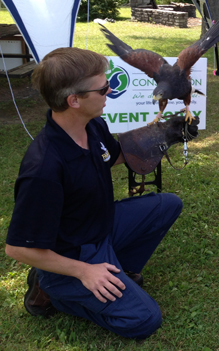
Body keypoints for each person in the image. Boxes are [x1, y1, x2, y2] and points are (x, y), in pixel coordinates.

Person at [4, 47, 184, 339]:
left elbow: (111, 156)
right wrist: (83, 271)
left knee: (167, 205)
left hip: (100, 225)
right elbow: (17, 248)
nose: (109, 90)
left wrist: (163, 135)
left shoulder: (93, 125)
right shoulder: (43, 168)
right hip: (74, 252)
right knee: (144, 320)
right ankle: (56, 292)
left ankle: (118, 269)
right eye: (102, 89)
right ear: (73, 100)